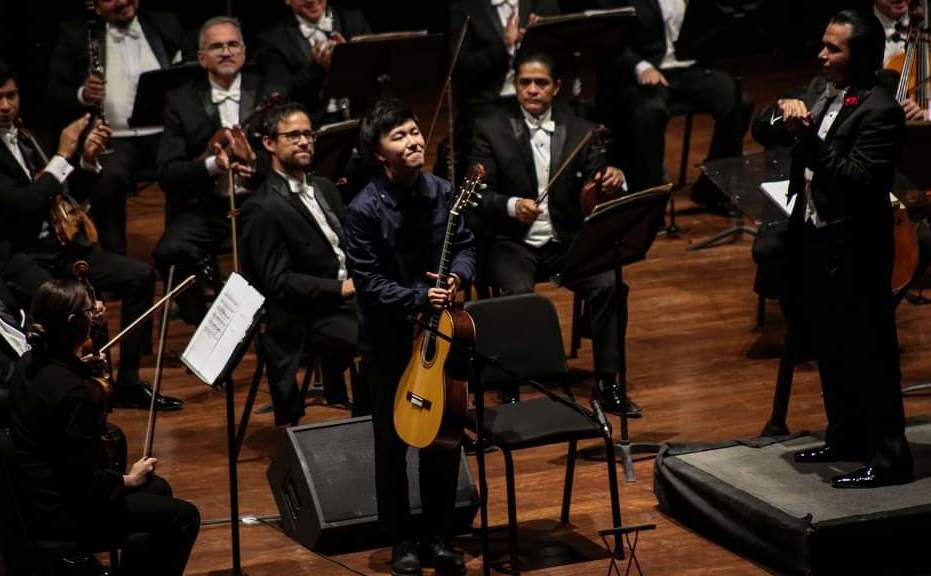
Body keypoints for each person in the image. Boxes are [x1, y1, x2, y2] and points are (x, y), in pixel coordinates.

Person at [753, 9, 912, 488]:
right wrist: (781, 111)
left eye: (833, 48)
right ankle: (845, 436)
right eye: (823, 45)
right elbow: (762, 128)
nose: (821, 56)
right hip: (814, 237)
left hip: (856, 245)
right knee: (829, 344)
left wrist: (809, 141)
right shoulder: (820, 92)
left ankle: (890, 460)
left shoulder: (880, 110)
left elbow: (860, 180)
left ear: (859, 56)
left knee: (870, 353)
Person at [0, 61, 179, 412]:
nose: (5, 106)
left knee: (140, 276)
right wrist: (64, 154)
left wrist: (86, 161)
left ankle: (127, 381)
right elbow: (25, 205)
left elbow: (64, 195)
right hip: (19, 255)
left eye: (11, 96)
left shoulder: (25, 136)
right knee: (69, 305)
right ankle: (76, 391)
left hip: (61, 245)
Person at [469, 52, 640, 416]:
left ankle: (608, 383)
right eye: (525, 83)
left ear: (556, 87)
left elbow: (596, 191)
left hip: (567, 241)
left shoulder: (582, 131)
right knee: (516, 294)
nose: (533, 90)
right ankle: (511, 381)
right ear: (515, 87)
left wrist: (612, 180)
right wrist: (512, 205)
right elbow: (478, 194)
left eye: (541, 83)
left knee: (610, 284)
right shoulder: (490, 130)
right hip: (513, 243)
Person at [345, 98, 474, 576]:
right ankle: (402, 540)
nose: (413, 140)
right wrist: (421, 296)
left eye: (414, 131)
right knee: (393, 444)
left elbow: (464, 245)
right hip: (388, 340)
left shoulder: (443, 192)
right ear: (379, 154)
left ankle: (439, 537)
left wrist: (458, 278)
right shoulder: (363, 210)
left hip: (440, 336)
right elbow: (369, 282)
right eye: (398, 136)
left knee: (442, 437)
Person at [7, 278, 199, 575]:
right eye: (89, 311)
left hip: (33, 494)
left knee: (160, 489)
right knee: (185, 516)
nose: (95, 315)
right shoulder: (73, 393)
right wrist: (128, 480)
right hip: (62, 512)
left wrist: (80, 367)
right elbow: (85, 483)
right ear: (73, 321)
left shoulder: (28, 364)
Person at [241, 102, 362, 425]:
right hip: (308, 314)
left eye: (308, 134)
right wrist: (341, 289)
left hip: (349, 296)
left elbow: (350, 244)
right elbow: (277, 281)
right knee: (376, 338)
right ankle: (370, 426)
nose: (304, 142)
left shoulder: (323, 187)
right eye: (293, 135)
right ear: (270, 143)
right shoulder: (262, 207)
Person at [155, 16, 274, 325]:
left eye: (233, 44)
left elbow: (290, 155)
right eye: (216, 46)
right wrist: (211, 165)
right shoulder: (179, 101)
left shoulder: (270, 92)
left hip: (259, 202)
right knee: (170, 251)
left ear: (244, 52)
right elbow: (168, 174)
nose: (225, 52)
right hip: (207, 207)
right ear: (201, 58)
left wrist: (254, 161)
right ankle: (204, 325)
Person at [46, 0, 185, 254]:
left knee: (186, 172)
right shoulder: (77, 35)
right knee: (106, 180)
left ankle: (179, 254)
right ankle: (116, 261)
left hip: (164, 132)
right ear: (95, 7)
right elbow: (54, 93)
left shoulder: (164, 24)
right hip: (113, 137)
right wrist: (83, 94)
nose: (122, 1)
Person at [600, 0, 751, 209]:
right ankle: (651, 198)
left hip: (690, 69)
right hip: (650, 71)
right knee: (649, 111)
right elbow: (611, 42)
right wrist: (641, 67)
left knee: (738, 101)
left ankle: (712, 187)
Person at [256, 0, 371, 124]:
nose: (311, 0)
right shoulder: (274, 39)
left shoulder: (354, 20)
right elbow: (283, 96)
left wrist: (348, 58)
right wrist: (317, 67)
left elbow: (375, 71)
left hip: (360, 117)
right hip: (313, 124)